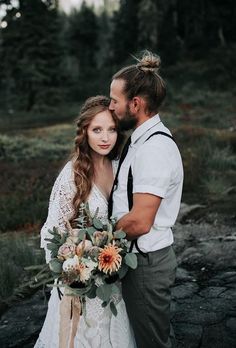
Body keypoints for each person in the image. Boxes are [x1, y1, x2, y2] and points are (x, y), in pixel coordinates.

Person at [34, 96, 136, 348]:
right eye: (97, 129)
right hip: (80, 284)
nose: (105, 137)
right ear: (85, 132)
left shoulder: (121, 168)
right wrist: (72, 270)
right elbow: (52, 230)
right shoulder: (72, 174)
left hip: (115, 280)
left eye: (112, 129)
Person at [108, 51, 184, 348]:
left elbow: (140, 221)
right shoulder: (140, 141)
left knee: (152, 342)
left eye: (114, 100)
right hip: (141, 261)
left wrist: (97, 241)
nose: (110, 106)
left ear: (135, 104)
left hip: (147, 265)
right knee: (152, 334)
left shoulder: (153, 149)